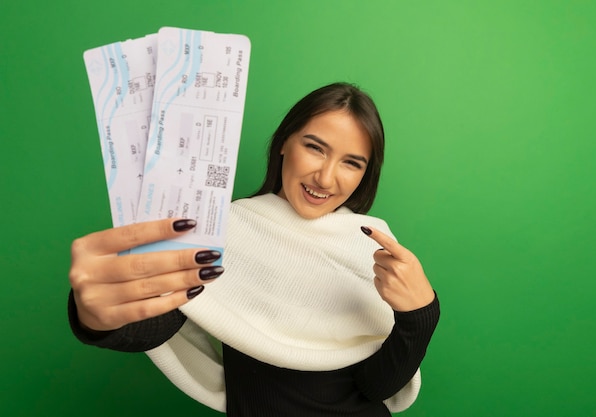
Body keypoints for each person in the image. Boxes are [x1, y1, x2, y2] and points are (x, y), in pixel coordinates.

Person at [68, 82, 440, 416]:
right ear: (283, 144)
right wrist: (97, 317)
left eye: (351, 163)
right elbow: (157, 321)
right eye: (314, 148)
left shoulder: (371, 241)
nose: (326, 178)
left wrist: (420, 315)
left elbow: (377, 388)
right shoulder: (224, 229)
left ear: (364, 175)